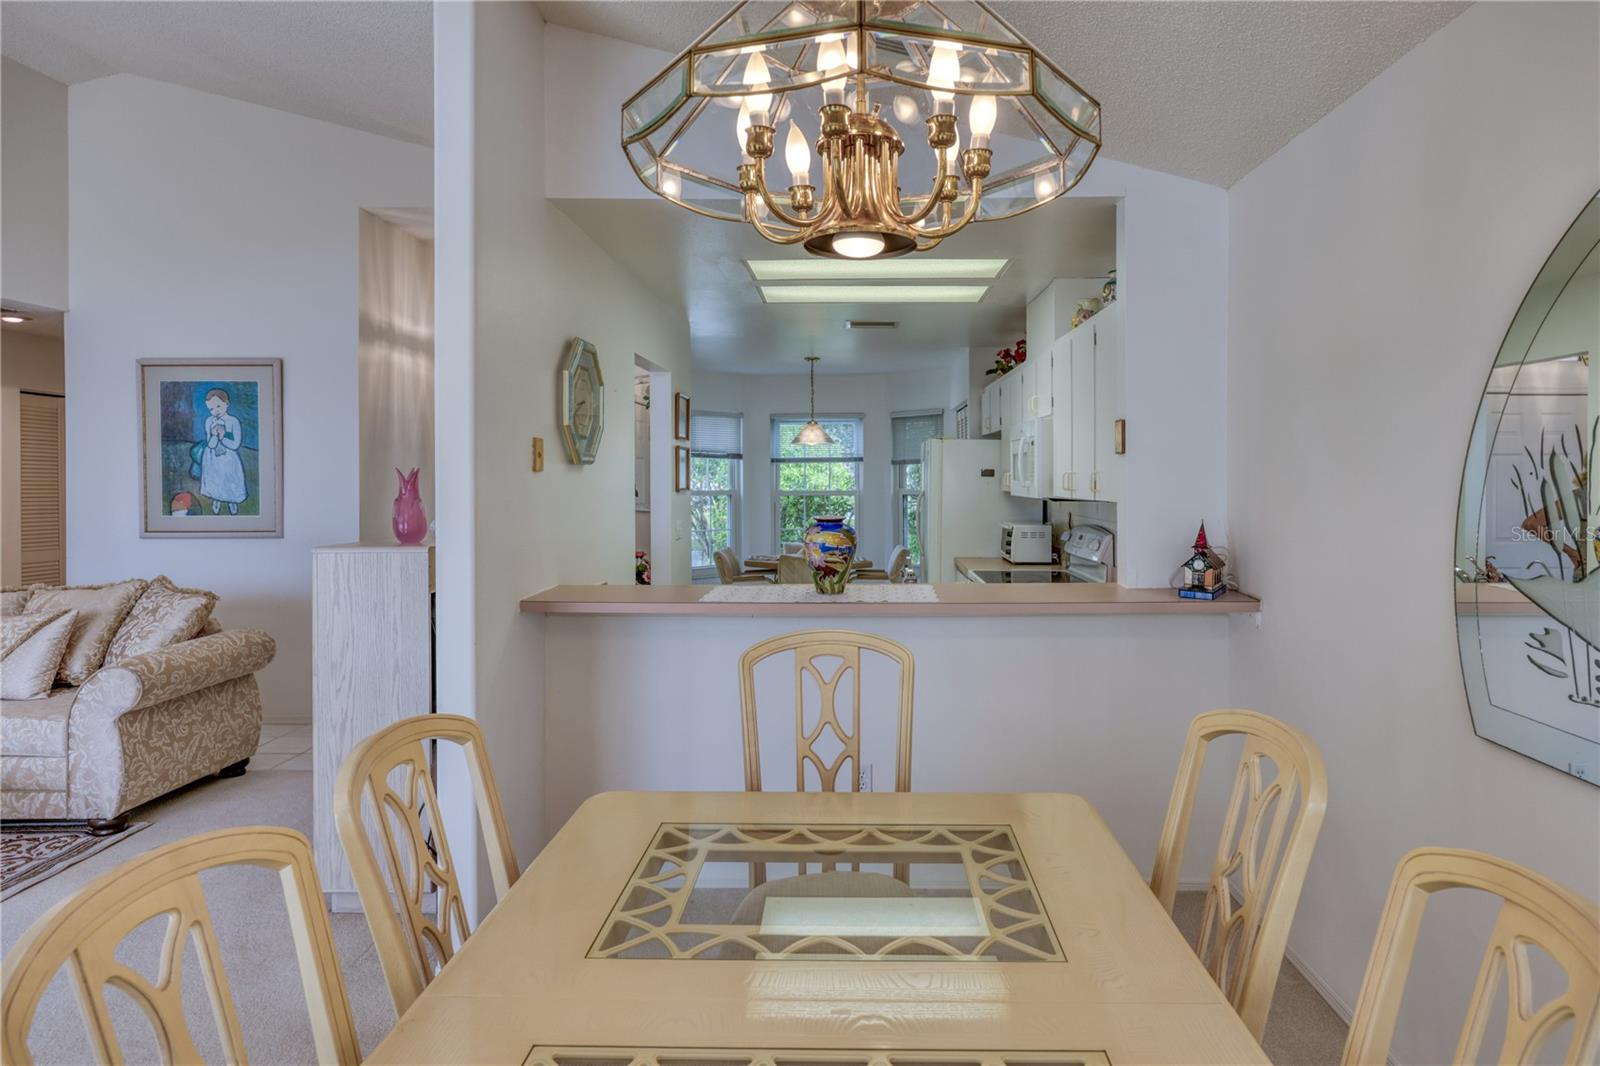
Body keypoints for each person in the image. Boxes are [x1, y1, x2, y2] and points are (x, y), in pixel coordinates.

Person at [199, 387, 247, 514]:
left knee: (229, 478)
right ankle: (216, 498)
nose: (215, 411)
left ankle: (232, 500)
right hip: (213, 457)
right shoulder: (209, 421)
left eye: (218, 406)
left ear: (227, 404)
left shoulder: (233, 421)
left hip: (228, 457)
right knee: (216, 478)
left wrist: (223, 435)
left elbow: (235, 445)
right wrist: (214, 435)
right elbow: (211, 445)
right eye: (211, 409)